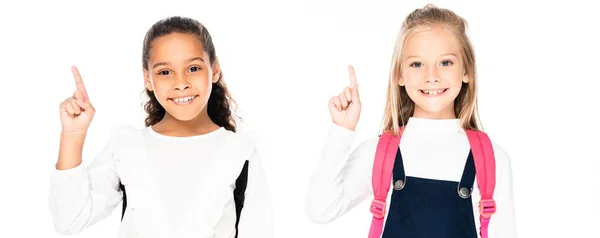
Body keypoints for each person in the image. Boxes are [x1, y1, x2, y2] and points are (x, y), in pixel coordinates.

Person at [49, 16, 273, 238]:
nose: (181, 83)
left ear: (214, 70)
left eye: (193, 68)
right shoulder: (127, 148)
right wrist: (72, 136)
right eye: (165, 72)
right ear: (148, 79)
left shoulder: (240, 153)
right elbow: (69, 221)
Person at [305, 4, 517, 238]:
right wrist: (342, 131)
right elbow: (320, 210)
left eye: (445, 62)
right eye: (417, 64)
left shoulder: (491, 159)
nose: (432, 76)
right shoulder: (379, 153)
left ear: (466, 70)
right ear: (400, 75)